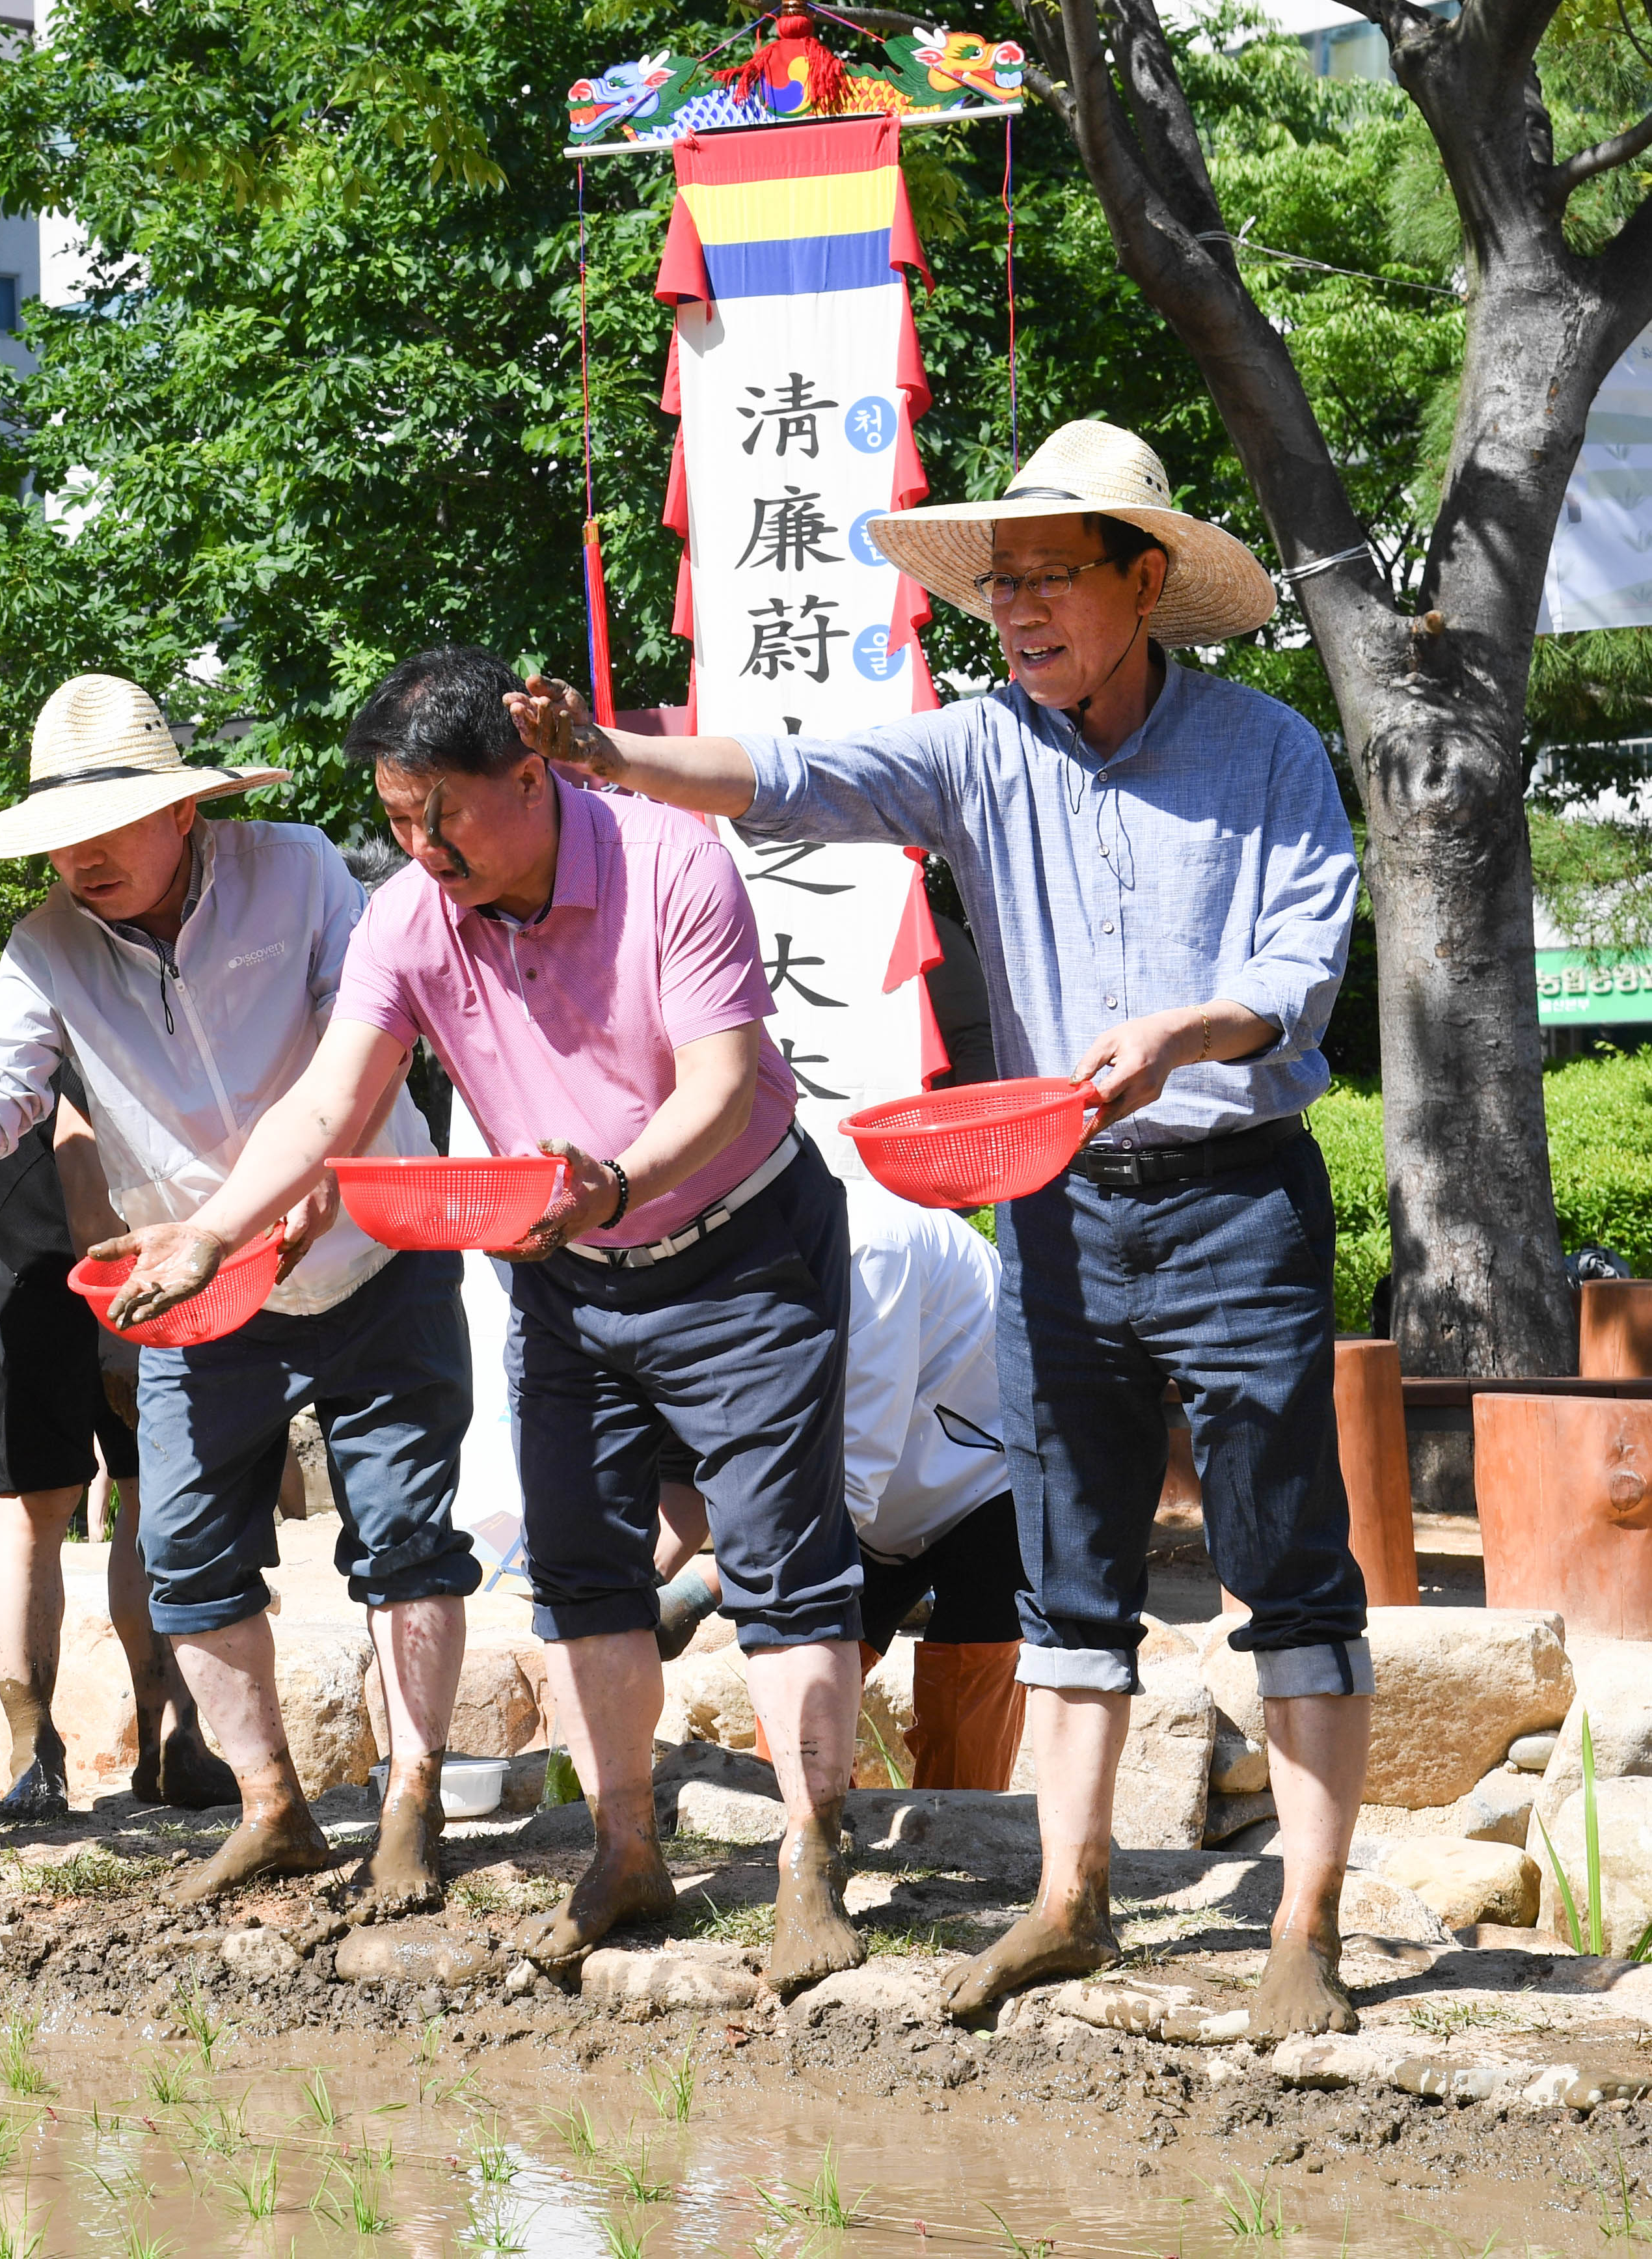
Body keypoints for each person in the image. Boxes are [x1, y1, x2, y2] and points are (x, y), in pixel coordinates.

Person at [509, 417, 1367, 2036]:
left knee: (1288, 1566)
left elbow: (1299, 967)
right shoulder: (979, 745)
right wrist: (609, 757)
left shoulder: (1262, 751)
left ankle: (1304, 1926)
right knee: (1067, 1571)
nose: (1021, 609)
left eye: (1051, 577)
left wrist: (1176, 1034)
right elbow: (792, 779)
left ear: (1141, 577)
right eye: (1002, 587)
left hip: (1237, 1195)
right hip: (1052, 1201)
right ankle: (1067, 1898)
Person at [111, 647, 874, 1992]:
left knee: (778, 1560)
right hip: (562, 1272)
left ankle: (812, 1856)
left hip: (739, 1247)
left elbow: (717, 1082)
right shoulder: (406, 916)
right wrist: (214, 1231)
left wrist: (618, 1181)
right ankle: (623, 1850)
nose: (420, 848)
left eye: (441, 815)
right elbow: (325, 1102)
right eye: (398, 820)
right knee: (580, 1565)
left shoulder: (668, 863)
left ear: (528, 776)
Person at [0, 674, 476, 1909]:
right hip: (197, 1285)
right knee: (190, 1553)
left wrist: (319, 1176)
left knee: (407, 1540)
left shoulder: (303, 867)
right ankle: (273, 1805)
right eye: (63, 841)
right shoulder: (46, 943)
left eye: (110, 831)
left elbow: (358, 1042)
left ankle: (413, 1796)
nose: (82, 860)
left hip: (373, 1247)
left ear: (187, 813)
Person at [649, 1175, 1029, 1792]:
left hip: (987, 1477)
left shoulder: (875, 1250)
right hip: (856, 1498)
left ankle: (964, 1866)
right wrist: (643, 1586)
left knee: (966, 1711)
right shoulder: (715, 1284)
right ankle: (810, 1826)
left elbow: (850, 1483)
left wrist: (699, 1589)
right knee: (795, 1694)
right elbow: (695, 1466)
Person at [0, 1072, 238, 1820]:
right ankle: (34, 1750)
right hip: (42, 1215)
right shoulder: (68, 970)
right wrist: (120, 1335)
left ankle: (173, 1740)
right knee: (39, 1493)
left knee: (159, 1482)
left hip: (157, 1212)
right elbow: (79, 1150)